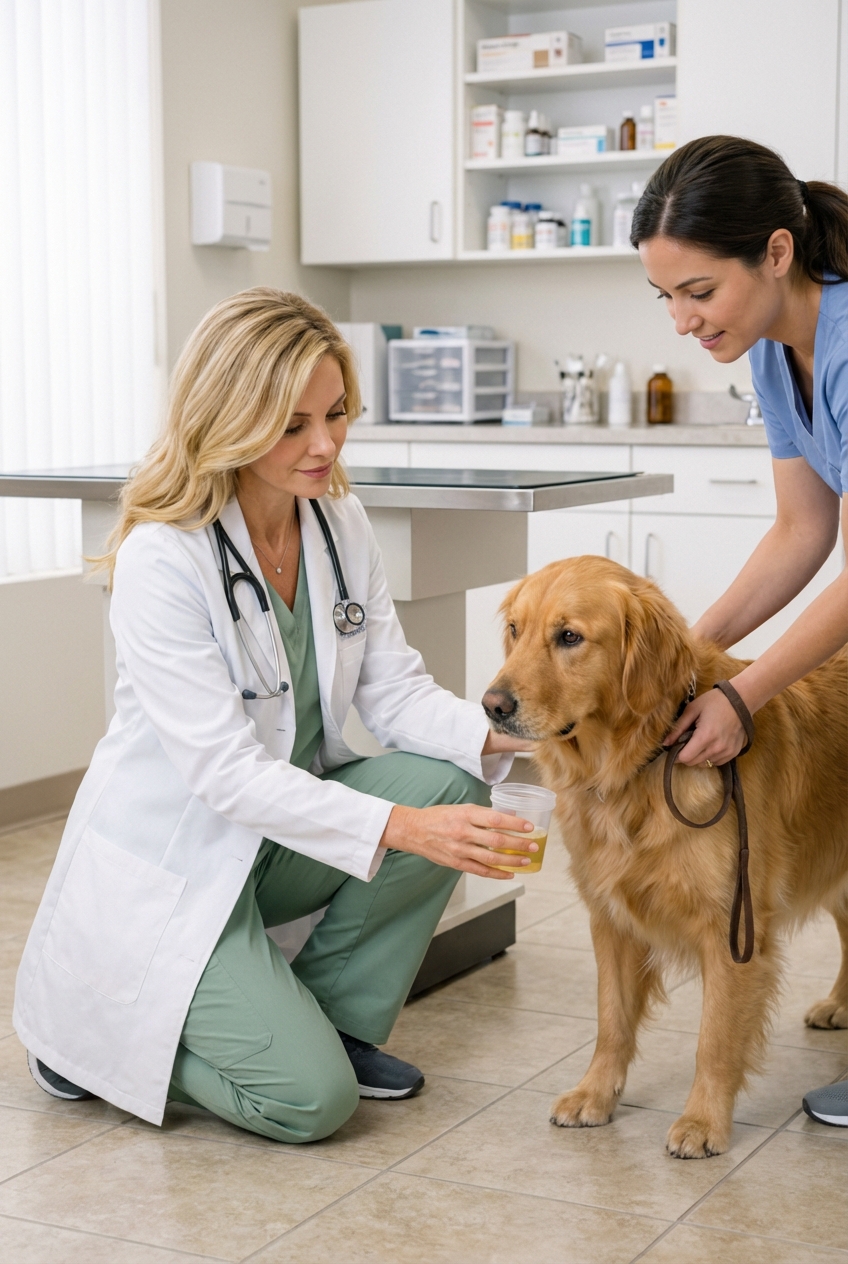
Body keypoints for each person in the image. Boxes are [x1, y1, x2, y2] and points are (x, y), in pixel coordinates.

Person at [14, 288, 535, 1143]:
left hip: (271, 839)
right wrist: (403, 827)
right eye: (292, 424)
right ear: (228, 415)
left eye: (336, 414)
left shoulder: (338, 521)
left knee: (455, 786)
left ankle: (325, 1024)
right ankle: (89, 1040)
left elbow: (392, 689)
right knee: (310, 1103)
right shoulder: (164, 556)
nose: (325, 445)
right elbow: (224, 775)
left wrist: (516, 740)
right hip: (177, 857)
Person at [630, 135, 848, 1128]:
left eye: (696, 291)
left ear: (771, 253)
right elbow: (804, 530)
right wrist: (689, 653)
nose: (680, 321)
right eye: (663, 297)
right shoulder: (773, 356)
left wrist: (739, 691)